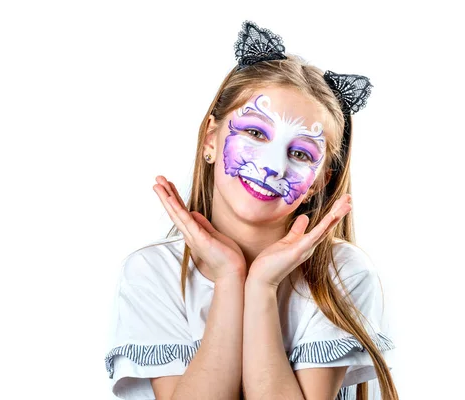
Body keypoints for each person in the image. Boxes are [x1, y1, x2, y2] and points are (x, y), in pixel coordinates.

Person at [104, 21, 398, 400]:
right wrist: (229, 279)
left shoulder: (341, 274)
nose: (274, 165)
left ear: (320, 181)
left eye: (300, 153)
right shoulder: (151, 273)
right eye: (256, 133)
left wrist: (261, 286)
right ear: (211, 138)